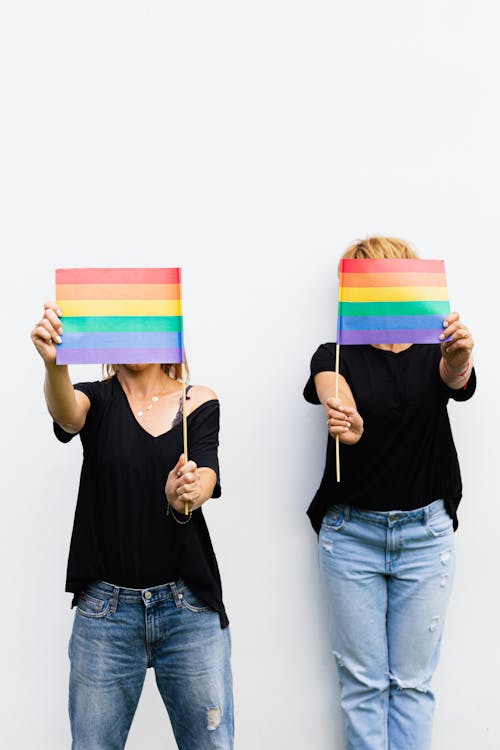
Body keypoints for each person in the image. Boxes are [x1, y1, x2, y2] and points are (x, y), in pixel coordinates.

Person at [31, 301, 234, 750]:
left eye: (150, 322)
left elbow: (206, 477)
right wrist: (54, 364)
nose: (138, 334)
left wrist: (187, 492)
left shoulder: (197, 400)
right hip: (106, 612)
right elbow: (67, 415)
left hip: (189, 608)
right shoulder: (96, 399)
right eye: (125, 324)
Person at [303, 237, 475, 750]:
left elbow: (455, 378)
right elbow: (333, 387)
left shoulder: (435, 351)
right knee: (363, 687)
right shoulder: (335, 353)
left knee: (413, 685)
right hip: (350, 536)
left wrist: (460, 358)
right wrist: (347, 418)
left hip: (426, 536)